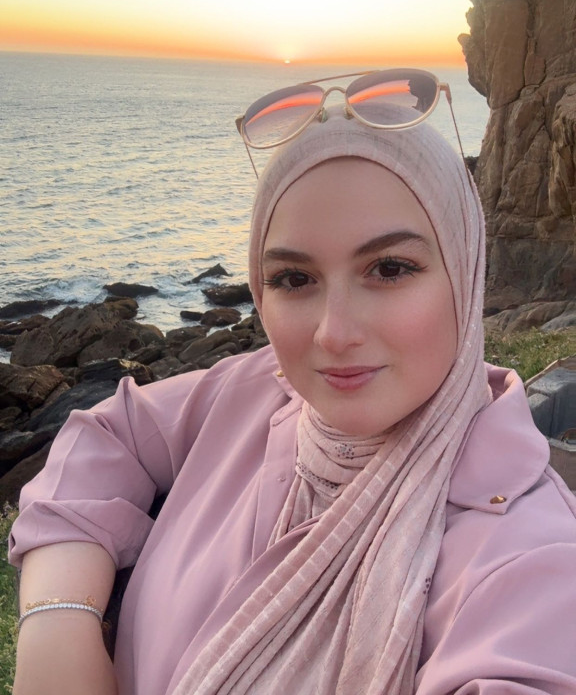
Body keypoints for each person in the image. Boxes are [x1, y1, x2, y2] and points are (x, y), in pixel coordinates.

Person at [9, 69, 576, 695]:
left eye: (389, 268)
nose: (334, 334)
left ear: (464, 272)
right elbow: (109, 434)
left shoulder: (528, 557)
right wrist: (57, 623)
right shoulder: (256, 391)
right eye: (294, 279)